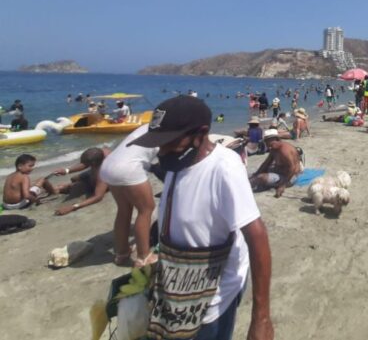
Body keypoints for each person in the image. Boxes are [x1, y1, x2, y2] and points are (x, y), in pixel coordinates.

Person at [126, 95, 273, 340]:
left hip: (215, 296)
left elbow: (257, 237)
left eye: (168, 142)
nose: (161, 151)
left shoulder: (224, 168)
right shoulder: (177, 164)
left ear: (201, 134)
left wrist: (262, 319)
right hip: (175, 284)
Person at [98, 124, 159, 267]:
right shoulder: (173, 128)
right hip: (128, 168)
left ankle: (122, 252)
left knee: (124, 209)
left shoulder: (146, 126)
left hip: (108, 165)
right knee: (146, 210)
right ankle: (144, 257)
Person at [52, 147, 112, 216]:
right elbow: (85, 164)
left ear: (93, 164)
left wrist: (73, 207)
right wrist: (66, 171)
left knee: (88, 185)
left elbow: (98, 197)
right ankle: (70, 186)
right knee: (73, 179)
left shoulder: (102, 173)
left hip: (105, 178)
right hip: (95, 169)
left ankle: (71, 187)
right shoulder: (101, 152)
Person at [251, 129, 304, 197]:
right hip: (280, 171)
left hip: (289, 178)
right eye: (266, 141)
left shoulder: (285, 150)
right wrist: (256, 173)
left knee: (261, 177)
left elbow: (293, 167)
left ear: (276, 139)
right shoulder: (274, 149)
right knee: (255, 173)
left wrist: (283, 185)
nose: (267, 144)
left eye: (268, 141)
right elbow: (266, 163)